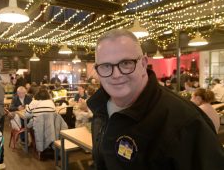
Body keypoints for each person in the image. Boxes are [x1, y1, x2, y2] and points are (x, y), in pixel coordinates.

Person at [86, 29, 224, 170]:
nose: (116, 75)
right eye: (106, 66)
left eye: (126, 63)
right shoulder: (101, 106)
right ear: (98, 70)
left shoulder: (185, 121)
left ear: (144, 63)